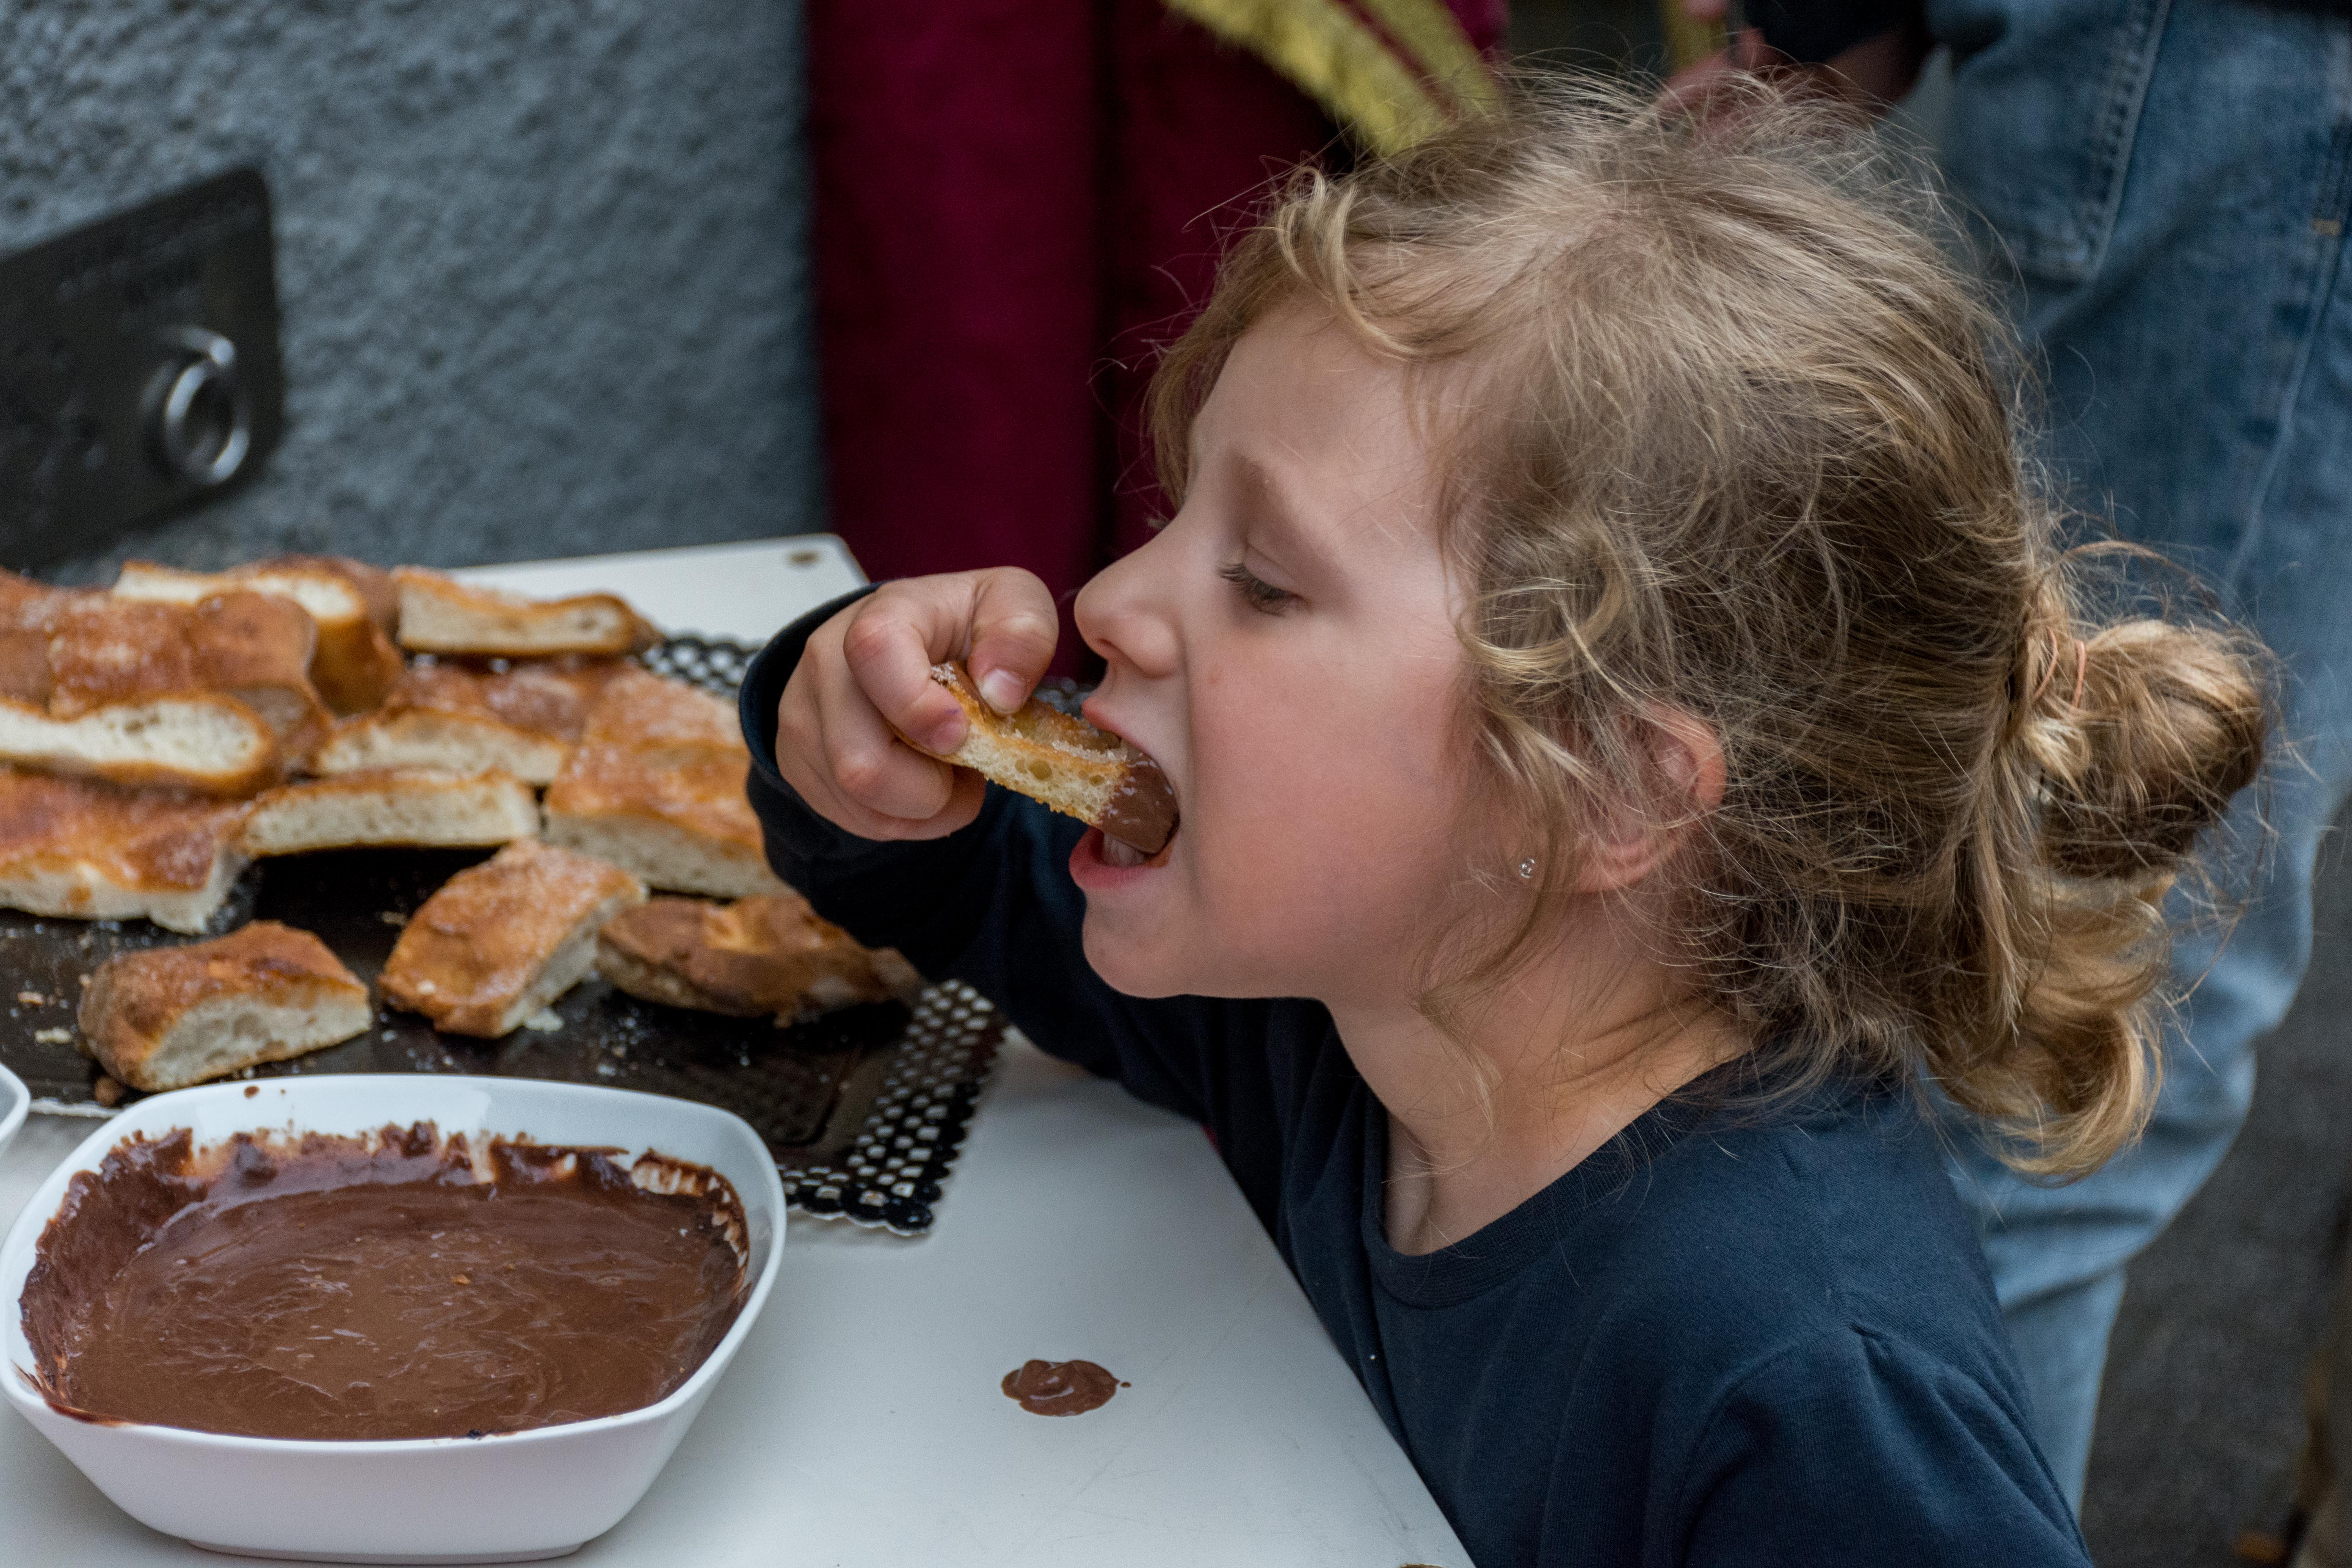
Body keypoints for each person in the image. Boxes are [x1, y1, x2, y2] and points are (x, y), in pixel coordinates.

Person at [743, 82, 2268, 1564]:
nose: (1109, 604)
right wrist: (858, 730)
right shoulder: (1351, 993)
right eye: (1175, 516)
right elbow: (979, 890)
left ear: (1604, 782)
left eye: (1264, 581)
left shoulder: (1805, 1386)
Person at [1667, 0, 2352, 1510]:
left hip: (2181, 81)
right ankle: (1891, 1513)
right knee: (2041, 1041)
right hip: (2247, 78)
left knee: (1986, 966)